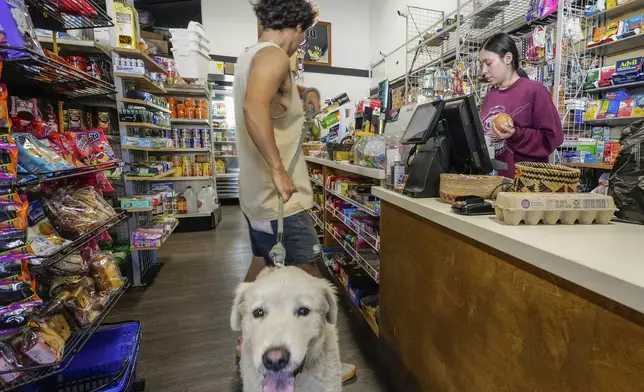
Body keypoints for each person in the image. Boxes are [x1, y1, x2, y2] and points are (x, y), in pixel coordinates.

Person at [233, 0, 356, 383]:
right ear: (299, 28)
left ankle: (251, 344)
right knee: (308, 286)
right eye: (304, 35)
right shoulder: (273, 57)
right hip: (281, 199)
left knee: (261, 266)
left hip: (259, 197)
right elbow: (255, 111)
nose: (302, 43)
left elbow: (265, 109)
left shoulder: (250, 56)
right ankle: (317, 363)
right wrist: (277, 169)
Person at [478, 32, 564, 178]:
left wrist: (515, 135)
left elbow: (552, 138)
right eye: (481, 65)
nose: (483, 71)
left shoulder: (534, 91)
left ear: (508, 58)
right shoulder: (490, 96)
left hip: (525, 185)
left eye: (488, 63)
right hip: (493, 182)